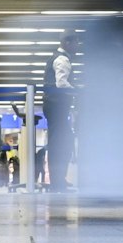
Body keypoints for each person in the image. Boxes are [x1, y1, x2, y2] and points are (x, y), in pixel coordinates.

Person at [44, 33, 80, 193]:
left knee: (61, 141)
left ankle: (58, 180)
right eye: (76, 43)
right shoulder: (62, 59)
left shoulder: (57, 57)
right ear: (67, 42)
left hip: (54, 106)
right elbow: (61, 84)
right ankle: (57, 182)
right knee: (60, 143)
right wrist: (78, 91)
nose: (77, 46)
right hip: (57, 106)